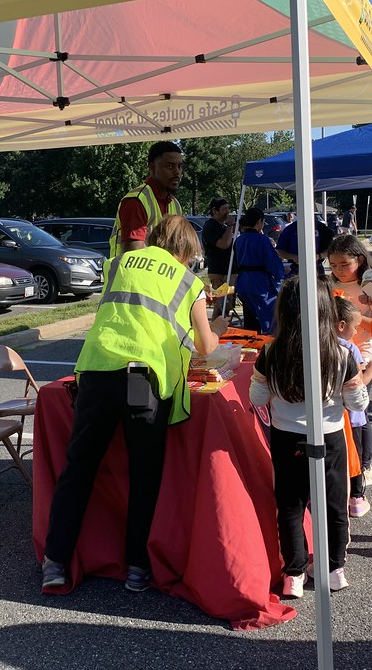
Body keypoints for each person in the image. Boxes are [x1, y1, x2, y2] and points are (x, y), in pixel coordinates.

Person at [43, 216, 229, 592]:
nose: (191, 263)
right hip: (144, 381)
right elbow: (206, 347)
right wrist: (218, 327)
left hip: (96, 371)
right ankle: (136, 569)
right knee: (144, 476)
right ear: (184, 251)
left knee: (79, 470)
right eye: (191, 256)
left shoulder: (116, 264)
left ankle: (55, 562)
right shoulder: (187, 281)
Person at [249, 277, 369, 597]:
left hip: (286, 437)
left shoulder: (271, 351)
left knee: (290, 504)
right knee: (332, 504)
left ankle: (294, 573)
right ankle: (334, 567)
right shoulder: (342, 353)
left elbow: (257, 397)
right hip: (330, 437)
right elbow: (358, 403)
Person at [326, 234, 372, 487]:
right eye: (333, 265)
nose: (338, 271)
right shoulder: (327, 285)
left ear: (359, 260)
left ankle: (365, 464)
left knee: (359, 411)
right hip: (335, 353)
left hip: (363, 354)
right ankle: (347, 460)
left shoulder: (370, 285)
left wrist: (355, 315)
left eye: (344, 265)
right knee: (340, 411)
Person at [107, 141, 185, 258]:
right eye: (170, 166)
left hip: (158, 276)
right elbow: (134, 258)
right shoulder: (136, 201)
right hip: (131, 275)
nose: (177, 172)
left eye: (180, 167)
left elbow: (178, 252)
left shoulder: (176, 205)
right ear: (152, 168)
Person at [335, 295, 372, 516]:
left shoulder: (321, 345)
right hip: (352, 415)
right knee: (354, 458)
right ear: (342, 325)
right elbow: (358, 383)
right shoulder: (349, 349)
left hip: (333, 416)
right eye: (355, 326)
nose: (357, 331)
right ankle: (356, 497)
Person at [233, 207, 285, 334]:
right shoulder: (262, 240)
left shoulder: (239, 240)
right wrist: (281, 274)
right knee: (271, 323)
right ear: (258, 222)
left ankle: (252, 349)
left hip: (243, 283)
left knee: (250, 322)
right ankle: (269, 349)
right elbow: (273, 263)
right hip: (260, 284)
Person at [202, 198, 236, 314]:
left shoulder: (222, 226)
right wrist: (230, 225)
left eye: (228, 208)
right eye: (224, 209)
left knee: (225, 305)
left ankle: (218, 328)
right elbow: (224, 244)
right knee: (223, 304)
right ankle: (217, 328)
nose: (227, 211)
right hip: (219, 273)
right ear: (215, 211)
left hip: (228, 271)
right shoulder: (211, 226)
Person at [276, 212, 335, 278]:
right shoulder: (290, 229)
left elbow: (331, 248)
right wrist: (293, 257)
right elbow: (280, 250)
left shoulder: (322, 228)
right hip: (296, 269)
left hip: (317, 268)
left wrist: (319, 256)